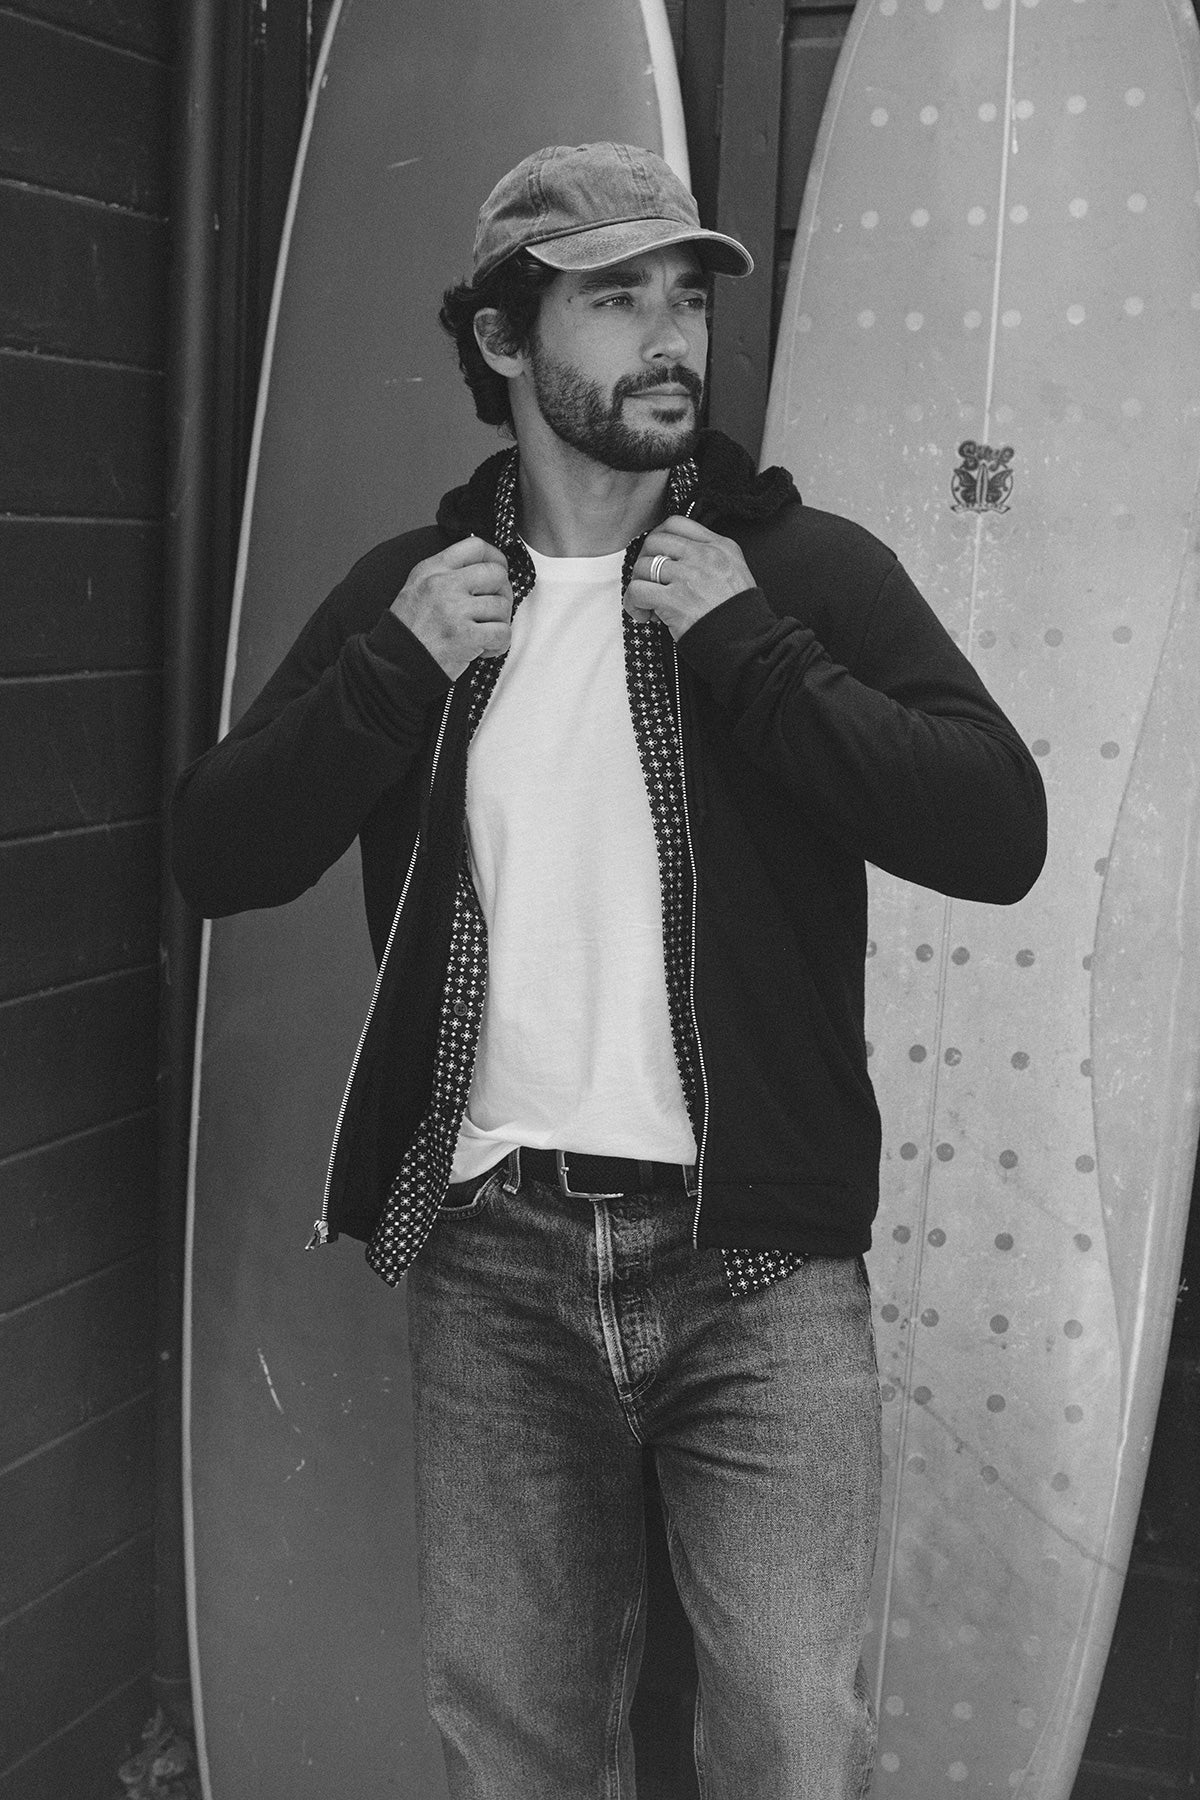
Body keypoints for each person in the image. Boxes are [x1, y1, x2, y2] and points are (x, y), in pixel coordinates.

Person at [172, 142, 1047, 1800]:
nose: (670, 338)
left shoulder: (792, 576)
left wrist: (751, 652)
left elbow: (997, 827)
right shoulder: (417, 600)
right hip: (498, 1268)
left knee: (795, 1738)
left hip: (761, 1263)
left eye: (688, 297)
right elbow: (220, 852)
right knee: (516, 1745)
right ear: (504, 341)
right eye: (617, 297)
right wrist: (390, 672)